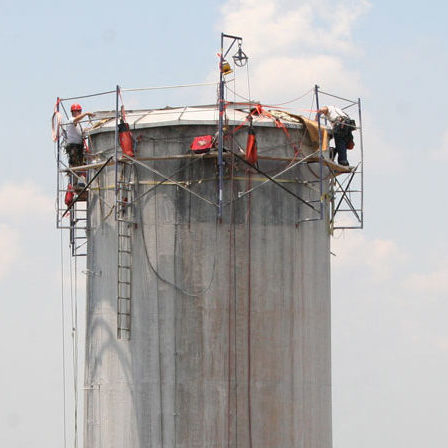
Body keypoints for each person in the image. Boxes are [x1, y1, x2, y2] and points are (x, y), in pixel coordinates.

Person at [64, 103, 95, 189]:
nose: (80, 112)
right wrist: (86, 114)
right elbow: (75, 121)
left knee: (81, 165)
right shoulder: (71, 120)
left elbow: (81, 131)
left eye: (80, 111)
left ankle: (79, 183)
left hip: (79, 146)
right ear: (73, 112)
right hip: (74, 146)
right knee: (75, 165)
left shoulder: (79, 123)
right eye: (78, 111)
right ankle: (74, 184)